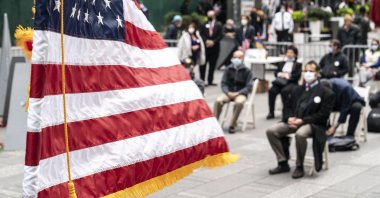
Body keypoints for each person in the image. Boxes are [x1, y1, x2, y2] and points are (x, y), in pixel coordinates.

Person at [266, 61, 335, 179]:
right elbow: (287, 106)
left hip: (314, 124)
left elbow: (323, 115)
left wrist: (302, 121)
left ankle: (299, 165)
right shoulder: (297, 89)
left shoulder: (326, 92)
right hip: (295, 121)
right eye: (305, 71)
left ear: (318, 73)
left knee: (300, 134)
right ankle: (282, 162)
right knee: (271, 131)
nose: (308, 73)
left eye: (311, 71)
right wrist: (289, 118)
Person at [214, 50, 253, 134]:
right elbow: (223, 83)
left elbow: (249, 86)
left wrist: (238, 93)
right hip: (228, 92)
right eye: (235, 57)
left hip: (240, 93)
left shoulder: (247, 71)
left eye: (239, 58)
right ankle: (215, 123)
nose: (236, 59)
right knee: (218, 101)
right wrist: (227, 92)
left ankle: (232, 125)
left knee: (239, 103)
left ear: (242, 58)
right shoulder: (228, 69)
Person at [267, 45, 302, 120]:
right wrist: (280, 74)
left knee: (285, 91)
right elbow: (276, 72)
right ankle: (271, 112)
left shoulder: (298, 64)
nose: (289, 54)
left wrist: (286, 76)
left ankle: (285, 112)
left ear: (295, 54)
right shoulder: (282, 63)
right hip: (280, 82)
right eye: (288, 52)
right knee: (272, 91)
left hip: (291, 82)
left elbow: (297, 76)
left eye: (291, 52)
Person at [200, 10, 223, 86]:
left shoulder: (218, 24)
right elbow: (201, 34)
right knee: (203, 65)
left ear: (214, 16)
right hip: (205, 48)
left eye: (211, 15)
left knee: (212, 65)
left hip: (214, 48)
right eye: (208, 15)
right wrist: (206, 41)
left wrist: (213, 41)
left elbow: (220, 35)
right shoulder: (203, 24)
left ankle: (210, 80)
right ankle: (202, 80)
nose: (210, 17)